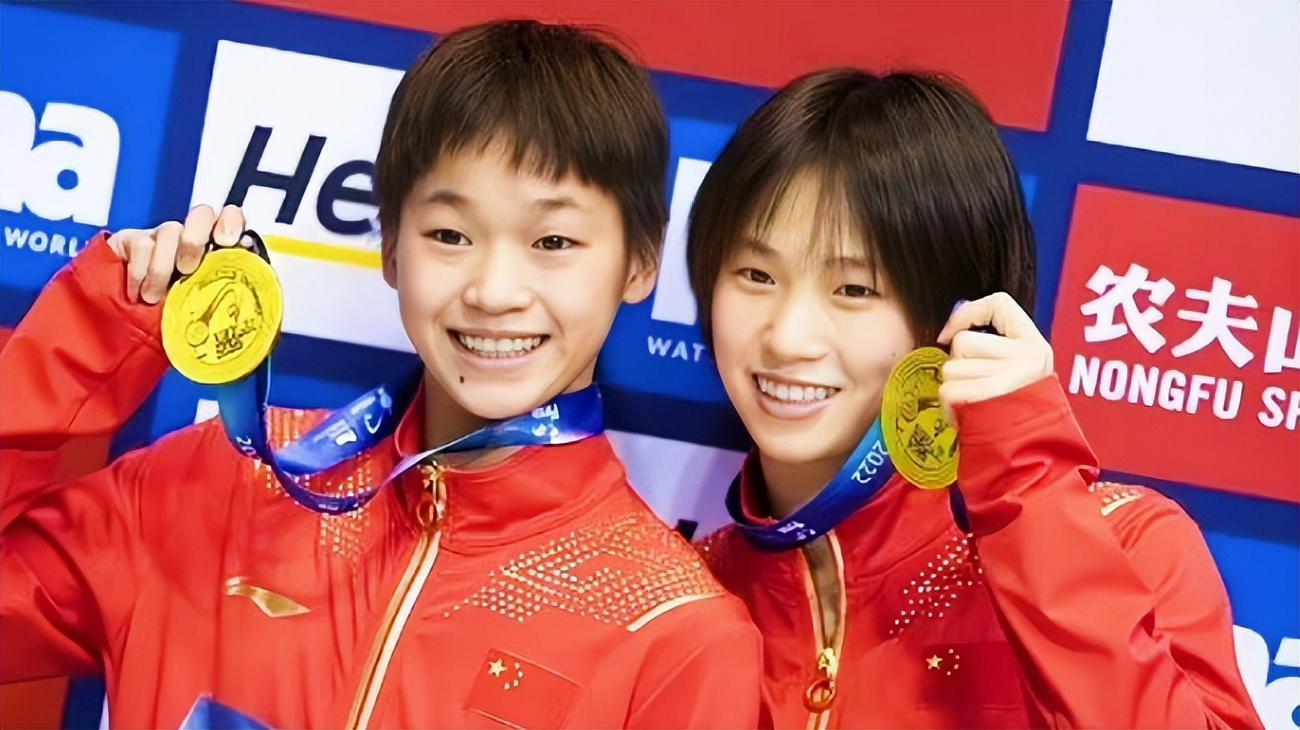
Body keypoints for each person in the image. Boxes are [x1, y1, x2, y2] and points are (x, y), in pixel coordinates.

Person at [0, 20, 760, 728]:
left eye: (553, 242)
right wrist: (96, 328)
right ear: (391, 245)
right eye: (450, 234)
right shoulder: (213, 487)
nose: (494, 291)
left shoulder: (675, 635)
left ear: (640, 262)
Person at [689, 69, 1260, 729]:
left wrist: (1028, 492)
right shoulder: (681, 596)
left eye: (855, 290)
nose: (788, 338)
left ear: (962, 314)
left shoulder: (1128, 544)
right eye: (756, 275)